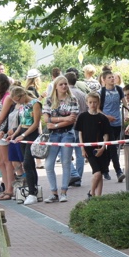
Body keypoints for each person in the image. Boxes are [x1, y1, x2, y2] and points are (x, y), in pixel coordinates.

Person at [43, 75, 79, 203]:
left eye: (65, 84)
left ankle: (63, 192)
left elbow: (72, 119)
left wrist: (56, 124)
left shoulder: (72, 99)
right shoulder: (49, 100)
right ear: (56, 86)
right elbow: (46, 119)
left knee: (66, 162)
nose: (64, 86)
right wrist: (63, 119)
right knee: (48, 164)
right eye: (61, 84)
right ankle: (54, 192)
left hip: (67, 133)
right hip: (53, 135)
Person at [9, 86, 42, 205]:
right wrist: (14, 135)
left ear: (23, 95)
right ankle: (33, 189)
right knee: (28, 164)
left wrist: (23, 135)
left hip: (31, 135)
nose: (18, 103)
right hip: (23, 133)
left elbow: (36, 123)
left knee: (27, 163)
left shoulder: (35, 103)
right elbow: (21, 123)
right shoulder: (22, 106)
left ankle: (32, 193)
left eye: (18, 100)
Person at [75, 92, 111, 200]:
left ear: (98, 103)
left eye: (95, 102)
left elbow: (106, 134)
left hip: (100, 148)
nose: (93, 104)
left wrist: (103, 148)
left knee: (100, 173)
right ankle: (91, 192)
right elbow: (80, 133)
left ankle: (98, 198)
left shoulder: (103, 118)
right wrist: (82, 148)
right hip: (88, 149)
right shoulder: (82, 117)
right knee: (97, 173)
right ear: (87, 103)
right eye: (90, 102)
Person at [99, 70, 125, 183]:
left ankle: (104, 169)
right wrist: (106, 117)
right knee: (113, 147)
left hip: (117, 122)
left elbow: (125, 103)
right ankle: (118, 171)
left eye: (113, 77)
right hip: (106, 124)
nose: (112, 79)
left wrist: (127, 114)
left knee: (110, 148)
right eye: (109, 77)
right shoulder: (101, 92)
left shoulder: (119, 89)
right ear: (104, 80)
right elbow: (97, 109)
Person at [65, 71, 88, 187]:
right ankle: (78, 178)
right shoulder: (82, 94)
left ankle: (74, 174)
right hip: (82, 126)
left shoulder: (67, 94)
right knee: (80, 154)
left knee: (65, 153)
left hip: (70, 126)